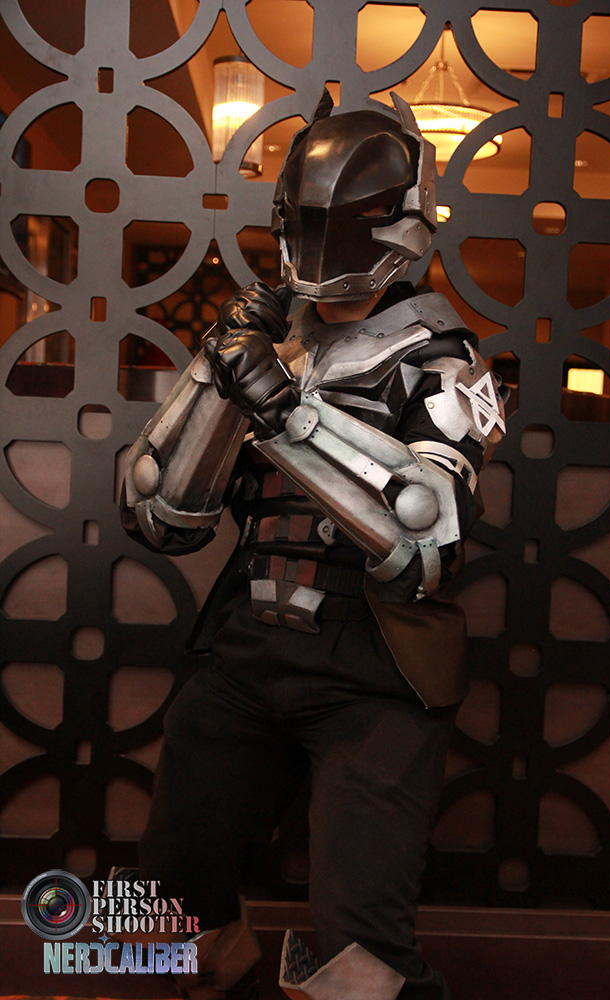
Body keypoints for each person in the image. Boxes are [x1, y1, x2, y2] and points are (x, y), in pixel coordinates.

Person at [121, 89, 505, 1000]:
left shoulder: (442, 361)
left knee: (361, 957)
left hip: (373, 675)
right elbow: (161, 514)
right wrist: (223, 380)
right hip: (248, 653)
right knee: (165, 911)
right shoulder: (270, 340)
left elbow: (423, 539)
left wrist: (284, 413)